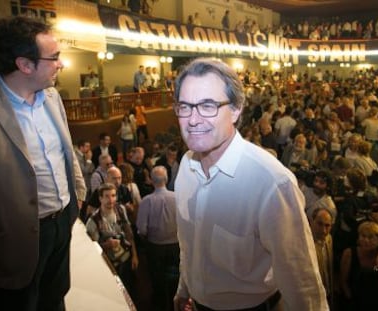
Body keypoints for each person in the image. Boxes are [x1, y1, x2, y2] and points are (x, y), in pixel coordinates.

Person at [173, 58, 328, 310]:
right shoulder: (185, 168)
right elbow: (190, 243)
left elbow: (301, 282)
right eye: (185, 106)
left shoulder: (272, 183)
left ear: (236, 110)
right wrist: (185, 287)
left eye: (208, 105)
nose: (192, 119)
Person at [0, 16, 86, 310]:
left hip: (62, 221)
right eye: (55, 57)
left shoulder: (52, 97)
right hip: (19, 237)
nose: (61, 64)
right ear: (25, 64)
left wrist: (77, 197)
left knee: (55, 297)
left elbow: (66, 152)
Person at [86, 183, 139, 301]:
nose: (111, 200)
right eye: (107, 196)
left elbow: (129, 234)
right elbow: (92, 250)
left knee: (130, 291)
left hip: (126, 259)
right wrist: (106, 245)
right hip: (109, 265)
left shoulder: (120, 210)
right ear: (100, 198)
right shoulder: (93, 221)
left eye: (113, 196)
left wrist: (135, 255)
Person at [137, 166, 179, 311]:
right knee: (174, 281)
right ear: (166, 179)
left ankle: (161, 306)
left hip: (155, 248)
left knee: (158, 281)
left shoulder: (147, 201)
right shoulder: (177, 197)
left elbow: (141, 229)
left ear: (151, 181)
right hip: (175, 246)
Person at [340, 221, 378, 310]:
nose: (366, 240)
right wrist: (351, 302)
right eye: (363, 236)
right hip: (353, 301)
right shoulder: (349, 253)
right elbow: (343, 282)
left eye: (370, 237)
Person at [310, 208, 334, 309]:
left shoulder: (329, 238)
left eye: (327, 225)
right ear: (311, 222)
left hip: (328, 292)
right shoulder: (305, 244)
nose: (324, 230)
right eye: (319, 224)